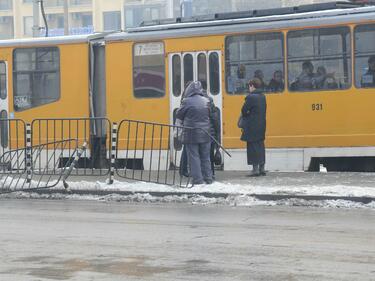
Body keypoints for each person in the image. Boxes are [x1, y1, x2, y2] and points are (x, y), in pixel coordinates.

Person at [176, 81, 213, 185]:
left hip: (191, 134)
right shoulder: (207, 101)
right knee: (205, 157)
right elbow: (210, 114)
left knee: (194, 157)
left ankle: (198, 180)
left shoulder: (186, 101)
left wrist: (177, 132)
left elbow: (179, 115)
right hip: (206, 133)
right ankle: (208, 178)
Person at [240, 78, 267, 177]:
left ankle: (255, 170)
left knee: (252, 147)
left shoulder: (251, 97)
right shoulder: (263, 97)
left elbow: (243, 110)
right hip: (261, 125)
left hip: (252, 126)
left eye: (249, 86)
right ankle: (262, 168)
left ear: (252, 86)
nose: (249, 88)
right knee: (260, 146)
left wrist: (247, 114)